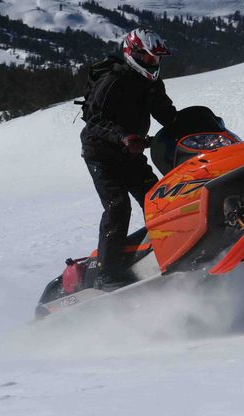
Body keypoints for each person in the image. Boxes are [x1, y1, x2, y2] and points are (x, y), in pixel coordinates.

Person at [80, 28, 177, 291]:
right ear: (132, 54)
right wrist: (123, 136)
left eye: (157, 59)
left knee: (157, 199)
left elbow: (166, 113)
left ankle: (168, 249)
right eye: (148, 58)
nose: (153, 64)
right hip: (101, 154)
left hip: (130, 153)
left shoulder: (152, 83)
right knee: (118, 207)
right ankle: (106, 275)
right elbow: (95, 120)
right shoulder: (113, 81)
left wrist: (187, 128)